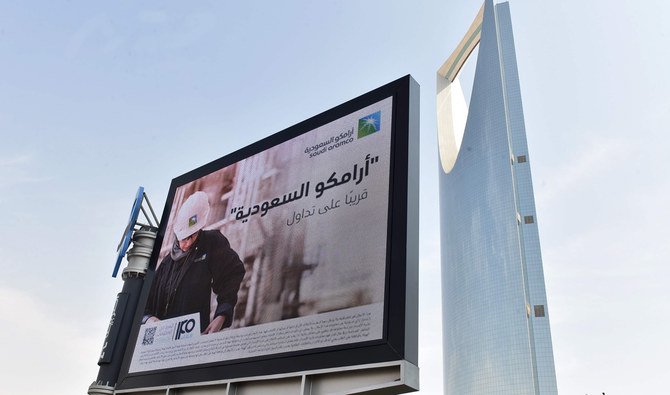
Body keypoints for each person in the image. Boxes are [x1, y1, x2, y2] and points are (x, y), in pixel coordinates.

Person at [143, 191, 245, 334]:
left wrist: (222, 315)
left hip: (193, 340)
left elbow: (232, 273)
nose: (187, 243)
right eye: (183, 238)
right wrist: (150, 319)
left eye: (192, 236)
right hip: (161, 344)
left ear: (199, 228)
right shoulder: (166, 264)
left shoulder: (211, 243)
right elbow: (145, 301)